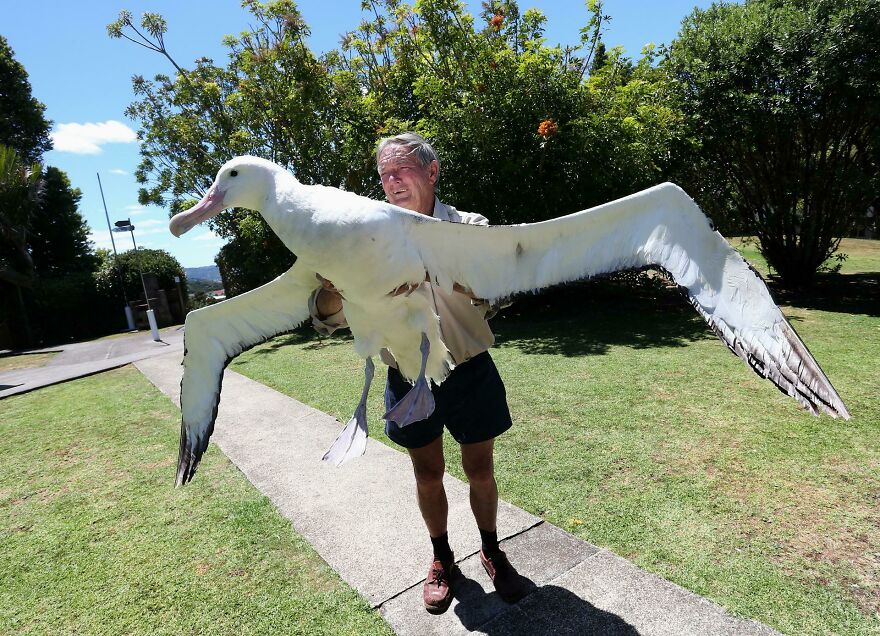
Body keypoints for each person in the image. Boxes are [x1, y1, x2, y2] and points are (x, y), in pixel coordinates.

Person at [309, 132, 527, 614]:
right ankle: (442, 559)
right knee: (428, 474)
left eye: (401, 170)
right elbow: (326, 317)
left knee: (481, 470)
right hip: (407, 376)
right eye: (384, 174)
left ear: (431, 173)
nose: (391, 181)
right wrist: (334, 286)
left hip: (469, 370)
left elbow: (501, 289)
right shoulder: (363, 236)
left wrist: (441, 270)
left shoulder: (468, 227)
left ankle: (492, 551)